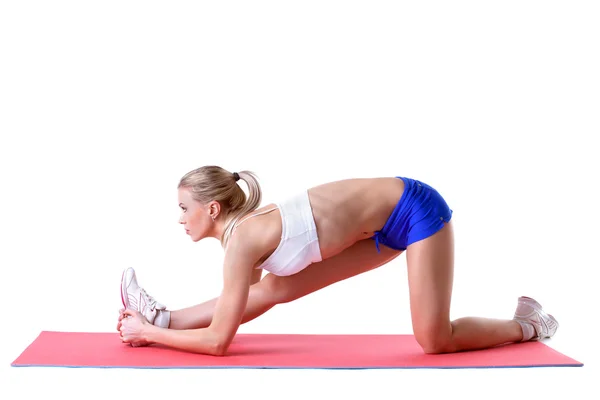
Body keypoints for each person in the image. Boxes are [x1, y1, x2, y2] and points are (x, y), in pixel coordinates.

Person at [117, 165, 558, 355]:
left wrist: (149, 336)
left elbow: (218, 342)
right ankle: (164, 315)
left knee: (434, 340)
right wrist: (154, 324)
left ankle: (531, 324)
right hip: (375, 227)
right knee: (273, 290)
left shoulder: (242, 242)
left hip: (413, 208)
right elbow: (242, 303)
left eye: (182, 209)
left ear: (211, 210)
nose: (179, 219)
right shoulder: (242, 237)